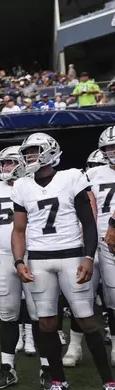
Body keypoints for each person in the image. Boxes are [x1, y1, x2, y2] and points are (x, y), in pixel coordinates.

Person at [11, 132, 115, 390]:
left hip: (71, 255)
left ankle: (108, 381)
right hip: (39, 260)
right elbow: (19, 230)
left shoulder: (71, 177)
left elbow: (88, 222)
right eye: (27, 153)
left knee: (86, 319)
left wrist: (89, 256)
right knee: (46, 322)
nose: (29, 157)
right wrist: (18, 261)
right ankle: (58, 380)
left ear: (49, 151)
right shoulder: (22, 185)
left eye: (34, 151)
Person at [0, 146, 51, 390]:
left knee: (40, 314)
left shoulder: (34, 186)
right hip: (3, 256)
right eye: (3, 163)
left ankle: (48, 367)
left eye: (9, 163)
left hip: (33, 255)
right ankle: (7, 368)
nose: (4, 168)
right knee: (7, 315)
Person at [84, 127, 115, 369]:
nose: (112, 151)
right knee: (109, 297)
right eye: (108, 147)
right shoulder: (94, 174)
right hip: (103, 241)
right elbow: (89, 209)